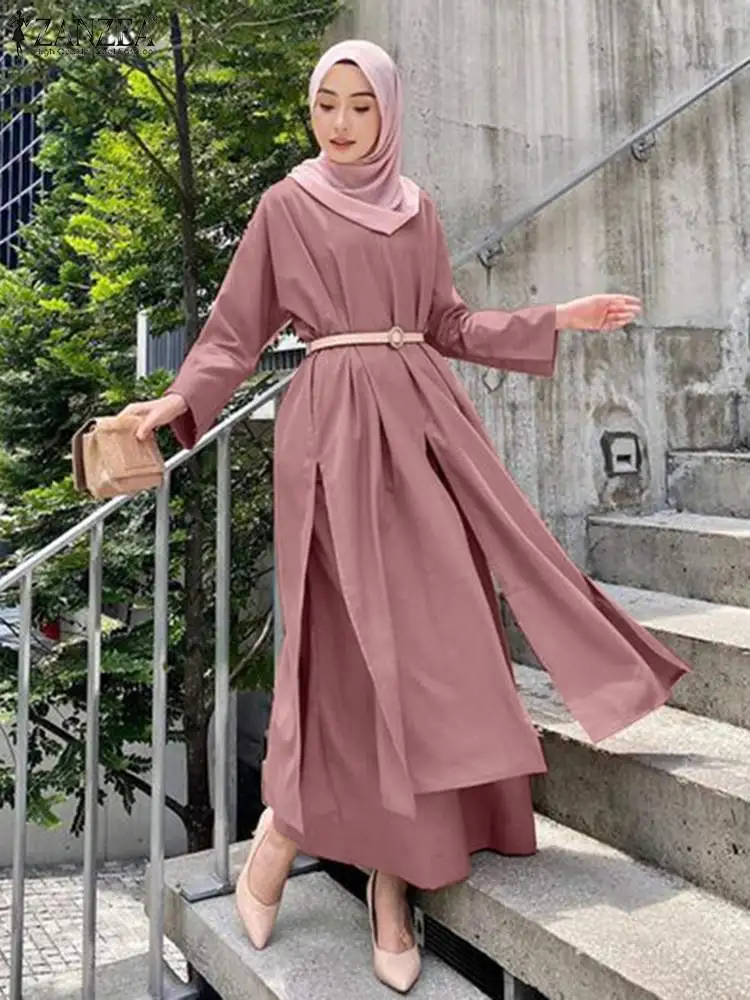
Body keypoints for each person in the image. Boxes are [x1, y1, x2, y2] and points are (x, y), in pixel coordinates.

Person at [119, 38, 691, 995]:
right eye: (326, 105)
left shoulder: (416, 206)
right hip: (331, 438)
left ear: (386, 111)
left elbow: (447, 325)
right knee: (345, 647)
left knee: (434, 641)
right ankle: (296, 839)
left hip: (425, 434)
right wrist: (176, 401)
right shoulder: (286, 205)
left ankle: (387, 879)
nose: (341, 124)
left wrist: (557, 317)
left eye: (360, 106)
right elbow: (234, 332)